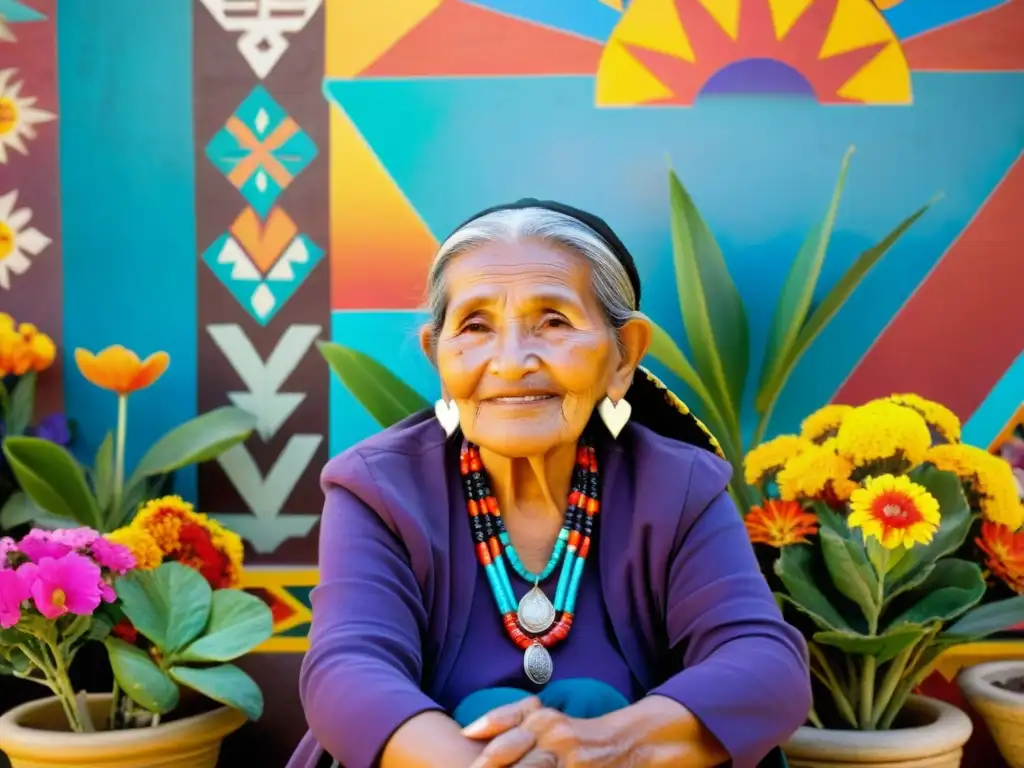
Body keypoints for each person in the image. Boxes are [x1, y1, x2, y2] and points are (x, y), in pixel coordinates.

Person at [287, 200, 811, 768]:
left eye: (554, 322)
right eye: (476, 326)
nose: (511, 361)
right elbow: (347, 670)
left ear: (623, 355)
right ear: (437, 354)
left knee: (590, 703)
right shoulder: (379, 488)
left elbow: (763, 664)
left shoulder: (678, 485)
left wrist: (610, 744)